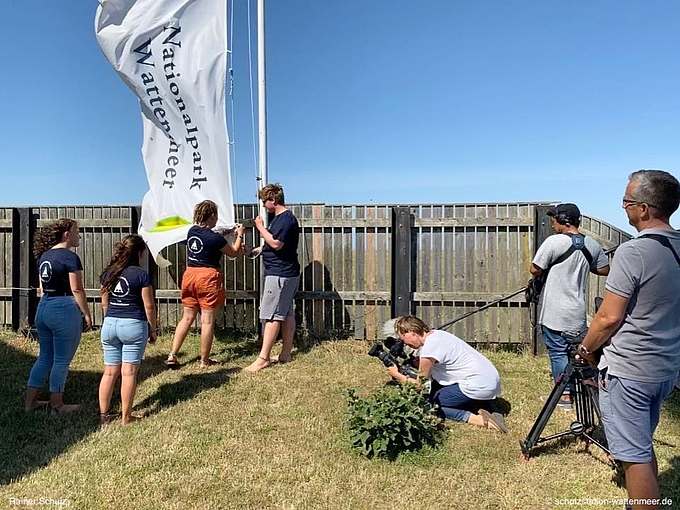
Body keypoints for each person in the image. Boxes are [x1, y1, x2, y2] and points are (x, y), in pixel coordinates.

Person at [578, 170, 680, 510]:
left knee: (633, 455)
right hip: (665, 368)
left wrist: (585, 348)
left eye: (627, 202)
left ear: (645, 209)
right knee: (641, 441)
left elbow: (608, 317)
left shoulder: (632, 253)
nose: (623, 208)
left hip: (629, 371)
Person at [530, 202, 609, 409]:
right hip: (576, 313)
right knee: (576, 353)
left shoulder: (554, 242)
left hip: (555, 312)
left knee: (557, 352)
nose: (552, 223)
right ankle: (589, 392)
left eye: (554, 219)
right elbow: (604, 269)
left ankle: (564, 396)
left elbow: (535, 269)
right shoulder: (591, 244)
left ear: (562, 221)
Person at [387, 315, 507, 433]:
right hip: (490, 381)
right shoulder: (438, 335)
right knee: (438, 392)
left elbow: (420, 385)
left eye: (403, 339)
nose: (405, 344)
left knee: (428, 404)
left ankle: (480, 420)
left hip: (479, 386)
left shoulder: (429, 350)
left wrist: (397, 374)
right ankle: (487, 405)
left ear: (412, 331)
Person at [25, 218, 92, 414]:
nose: (79, 235)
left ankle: (30, 404)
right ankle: (57, 406)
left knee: (45, 357)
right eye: (77, 231)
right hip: (63, 307)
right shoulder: (70, 258)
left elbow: (41, 288)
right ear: (66, 234)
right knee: (62, 360)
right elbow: (77, 289)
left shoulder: (44, 256)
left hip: (44, 307)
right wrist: (86, 314)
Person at [166, 200, 244, 368]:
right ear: (213, 216)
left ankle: (172, 354)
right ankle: (204, 360)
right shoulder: (215, 239)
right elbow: (234, 252)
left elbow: (209, 237)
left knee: (186, 318)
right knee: (207, 321)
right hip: (207, 278)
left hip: (189, 275)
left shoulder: (192, 232)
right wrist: (239, 235)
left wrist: (223, 233)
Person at [98, 235, 157, 425]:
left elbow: (104, 303)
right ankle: (126, 417)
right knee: (129, 372)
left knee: (109, 372)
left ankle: (104, 415)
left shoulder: (108, 273)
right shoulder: (141, 274)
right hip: (133, 325)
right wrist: (153, 329)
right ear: (139, 253)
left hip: (110, 325)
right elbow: (149, 306)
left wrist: (110, 319)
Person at [245, 183, 300, 372]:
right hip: (286, 273)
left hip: (280, 275)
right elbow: (272, 244)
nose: (263, 205)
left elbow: (276, 243)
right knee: (286, 313)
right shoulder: (279, 219)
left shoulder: (285, 219)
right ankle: (285, 354)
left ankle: (263, 358)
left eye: (264, 201)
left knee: (272, 315)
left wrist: (259, 227)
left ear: (273, 200)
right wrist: (254, 250)